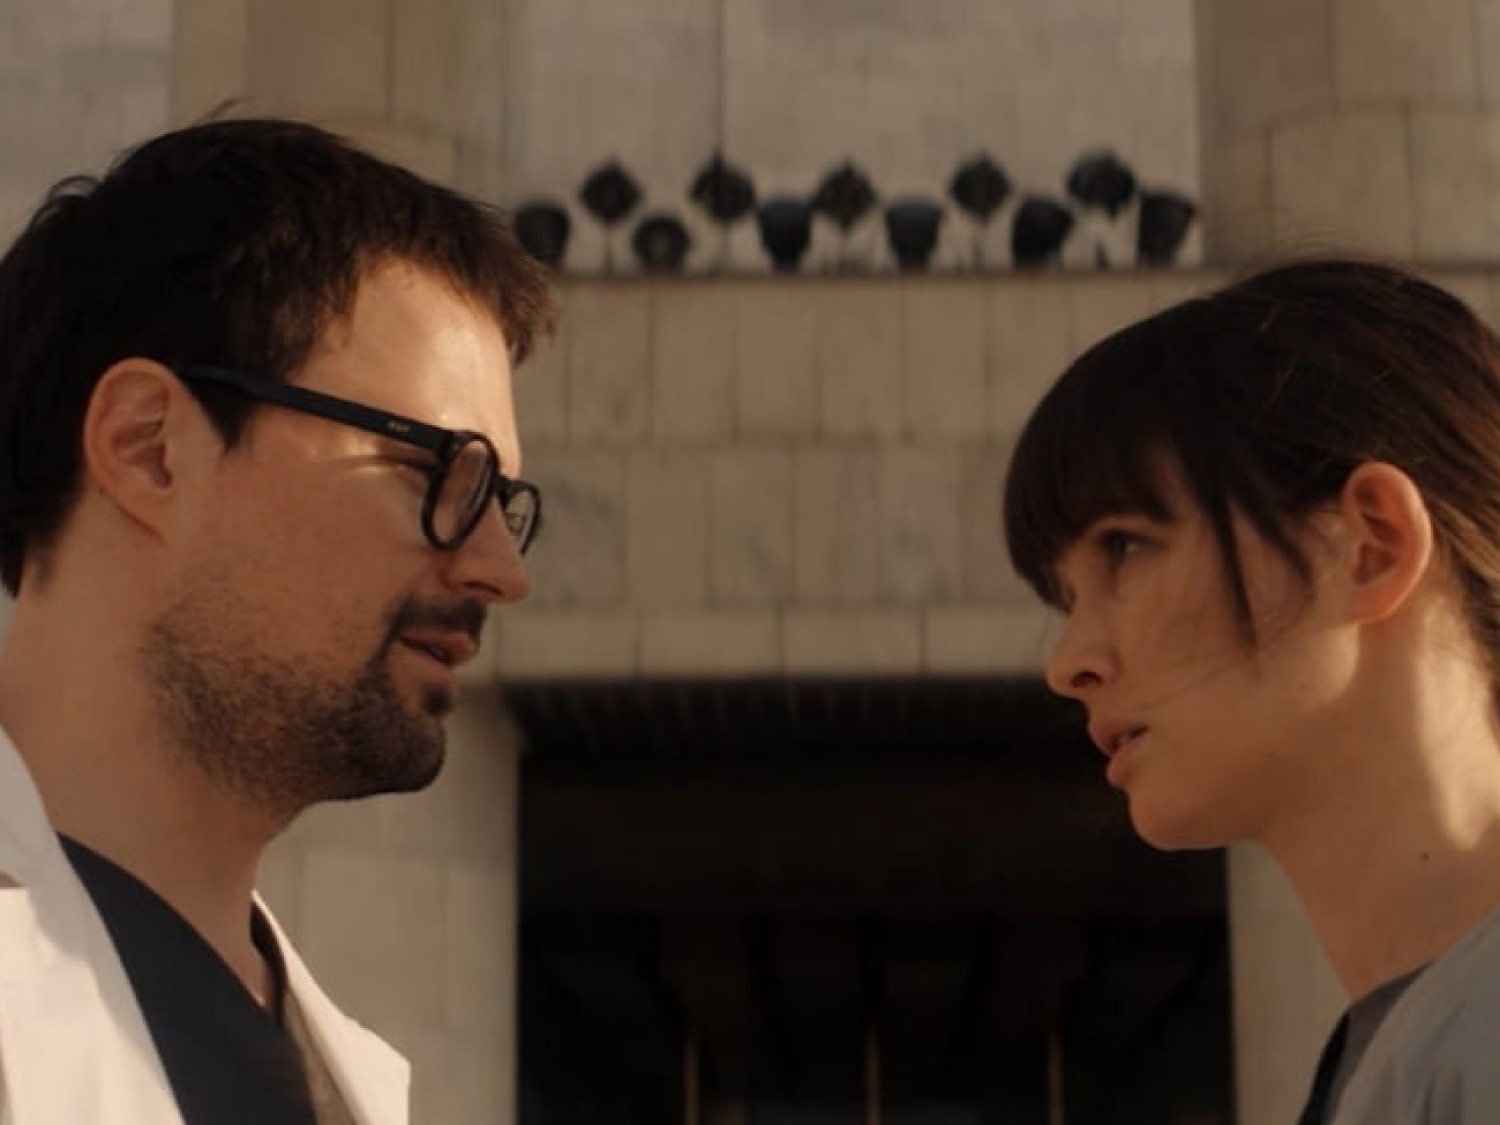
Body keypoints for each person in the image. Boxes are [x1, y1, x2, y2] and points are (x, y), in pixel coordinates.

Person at [0, 117, 555, 1123]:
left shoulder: (342, 1076)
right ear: (150, 447)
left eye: (501, 501)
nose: (500, 570)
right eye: (433, 471)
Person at [1003, 257, 1500, 1124]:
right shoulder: (1410, 1043)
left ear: (1372, 543)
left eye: (1124, 545)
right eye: (1068, 596)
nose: (1067, 661)